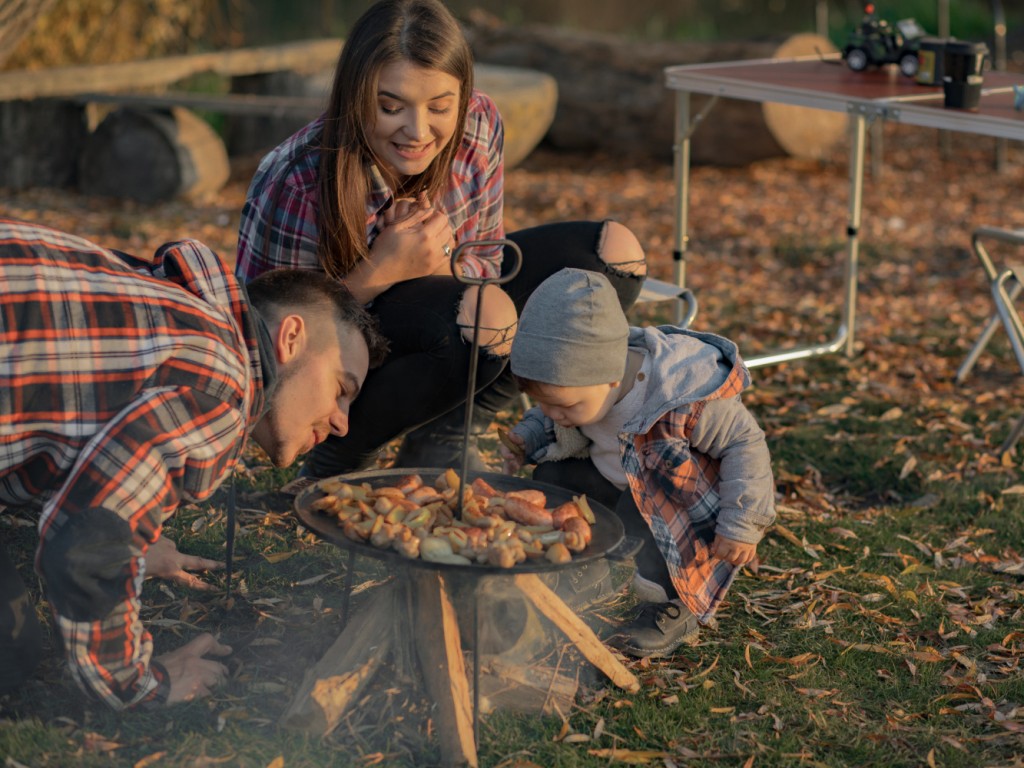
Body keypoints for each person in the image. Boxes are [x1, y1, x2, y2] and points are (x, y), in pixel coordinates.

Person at [236, 0, 647, 477]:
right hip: (345, 350)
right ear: (354, 95)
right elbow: (271, 341)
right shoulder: (299, 180)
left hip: (438, 299)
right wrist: (381, 270)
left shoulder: (480, 124)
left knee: (613, 256)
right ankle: (340, 453)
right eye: (390, 107)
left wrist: (435, 260)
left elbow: (487, 264)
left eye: (439, 107)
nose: (417, 131)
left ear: (462, 95)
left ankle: (446, 433)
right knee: (485, 315)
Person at [0, 218, 387, 709]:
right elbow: (88, 543)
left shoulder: (180, 310)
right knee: (10, 649)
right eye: (342, 389)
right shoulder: (220, 386)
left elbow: (60, 410)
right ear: (290, 339)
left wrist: (134, 542)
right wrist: (139, 682)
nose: (341, 423)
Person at [499, 269, 776, 658]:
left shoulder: (681, 395)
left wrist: (743, 523)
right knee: (553, 477)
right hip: (614, 474)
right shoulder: (582, 387)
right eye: (543, 403)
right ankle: (589, 565)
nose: (553, 414)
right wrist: (528, 436)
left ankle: (673, 603)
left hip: (676, 502)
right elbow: (551, 418)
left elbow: (746, 444)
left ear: (610, 377)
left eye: (563, 406)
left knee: (644, 513)